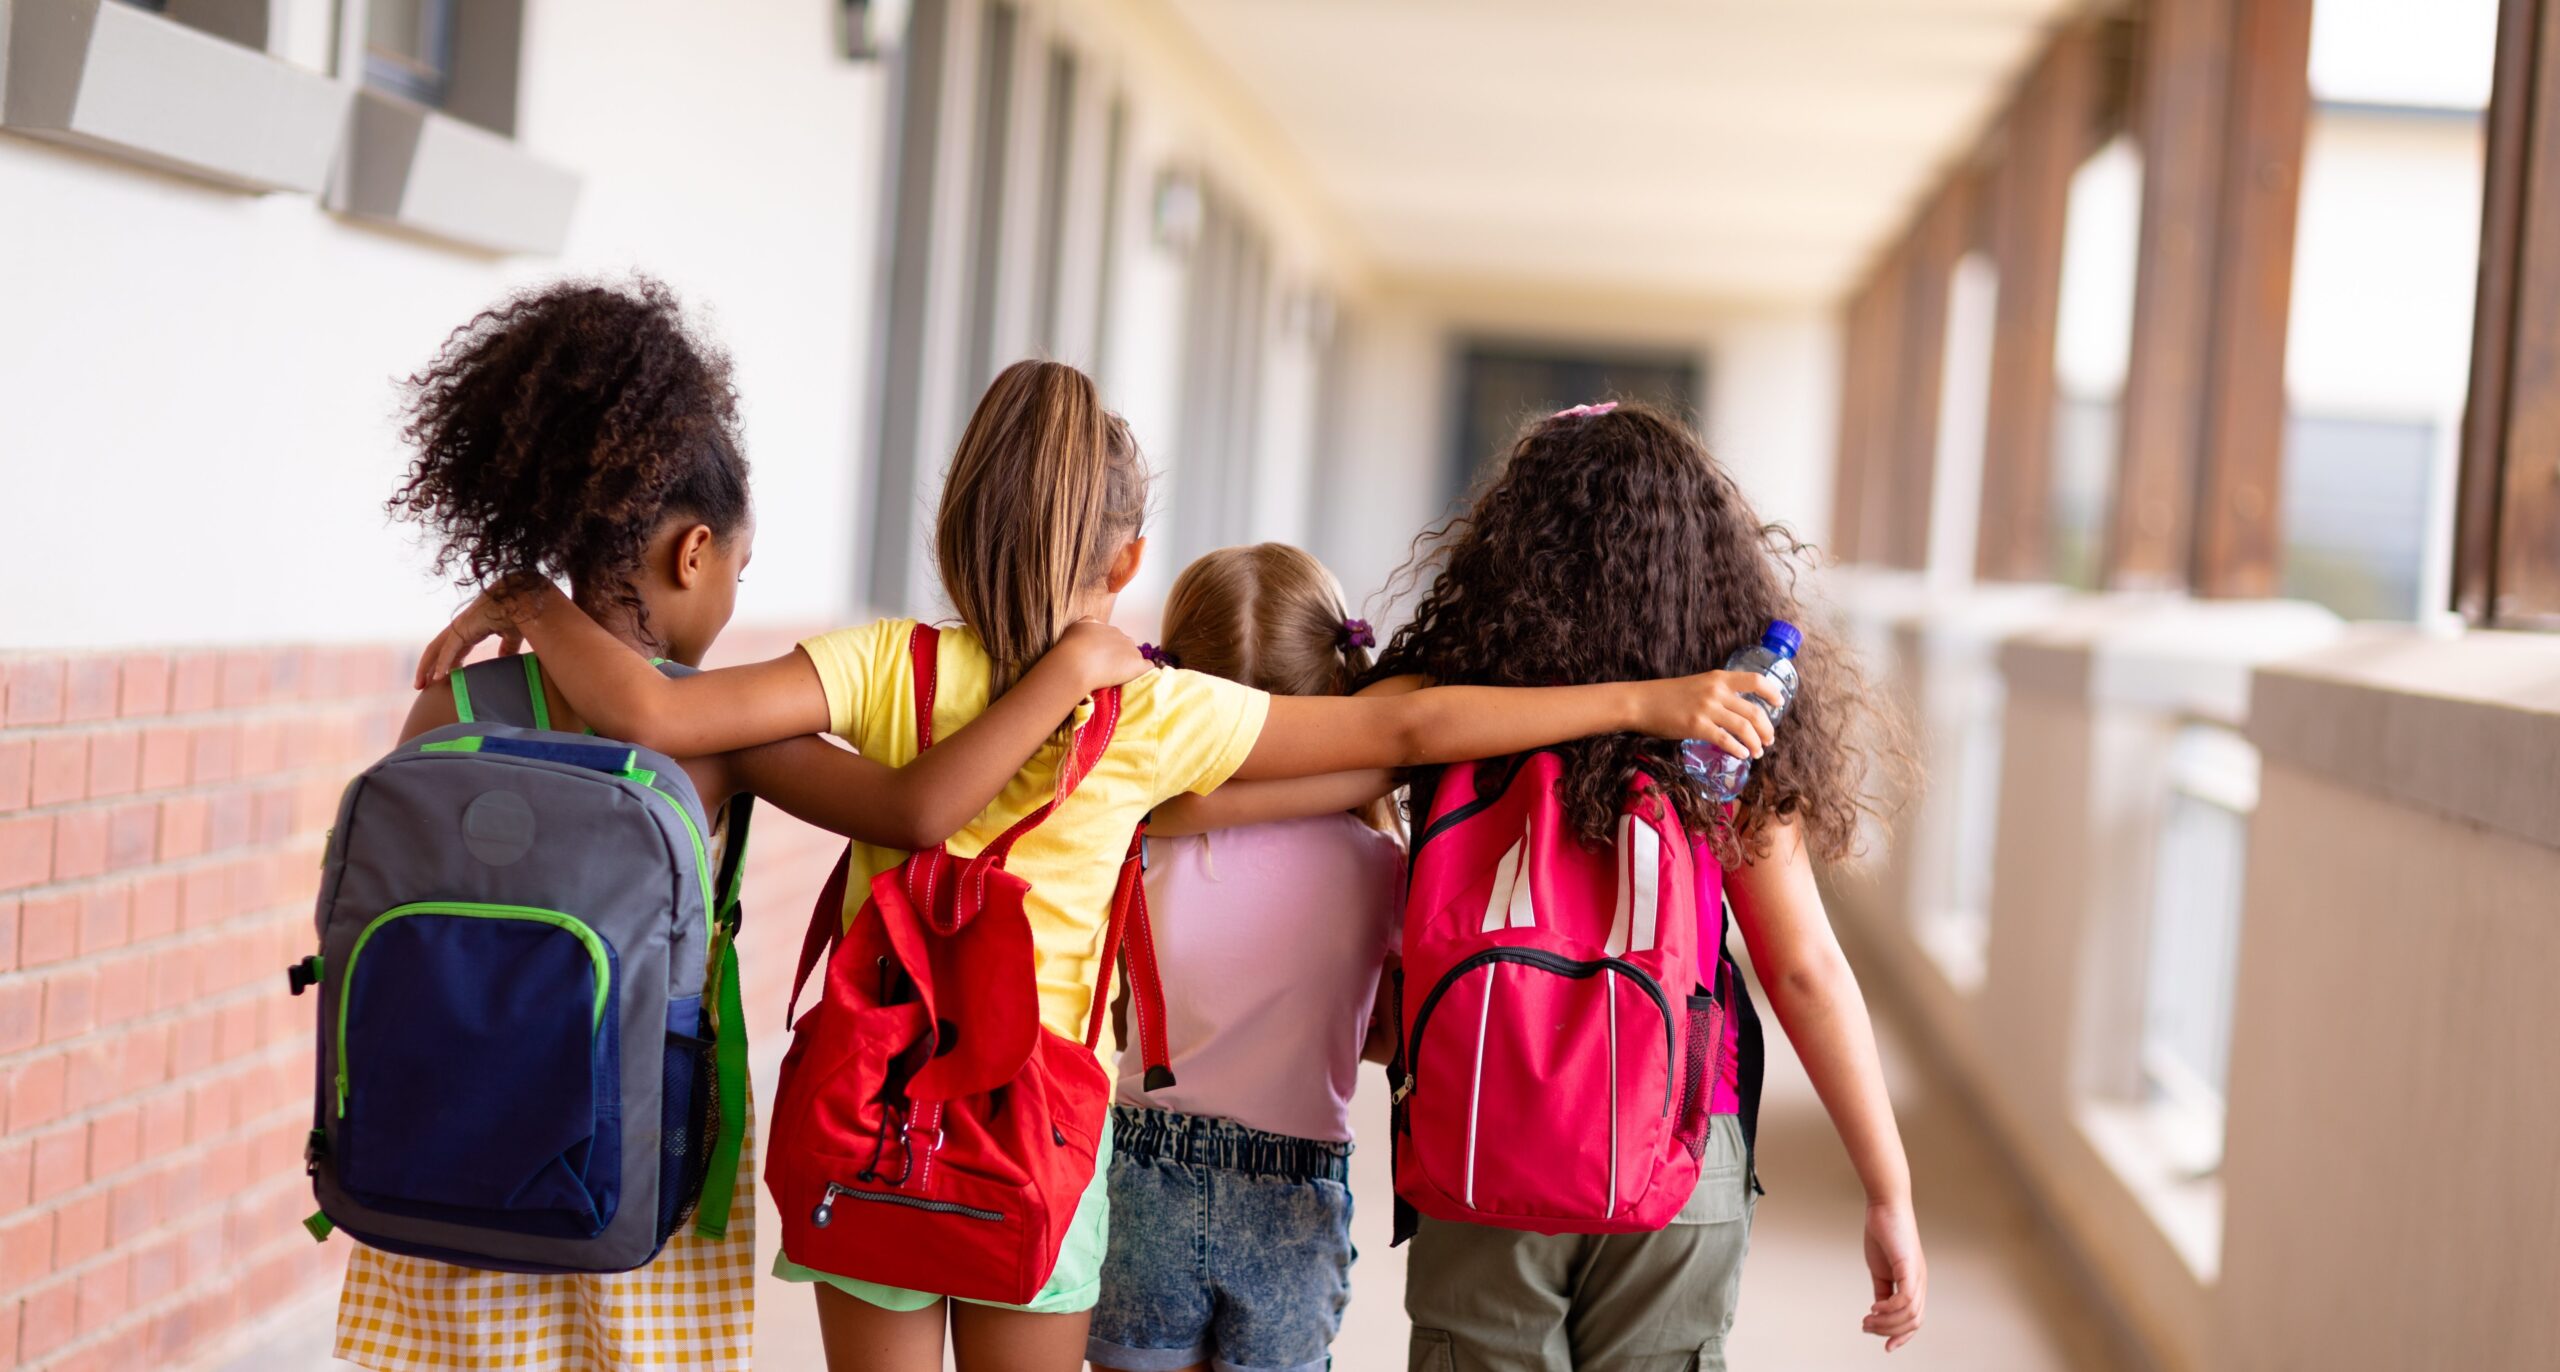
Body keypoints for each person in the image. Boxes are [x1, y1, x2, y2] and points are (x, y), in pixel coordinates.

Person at [414, 360, 1790, 1372]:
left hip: (866, 1119)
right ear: (1130, 559)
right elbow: (1406, 731)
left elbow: (657, 708)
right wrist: (1642, 703)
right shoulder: (1147, 710)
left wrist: (534, 597)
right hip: (1037, 1137)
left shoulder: (883, 665)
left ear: (954, 520)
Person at [339, 281, 1148, 1372]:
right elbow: (913, 814)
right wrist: (1061, 679)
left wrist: (530, 605)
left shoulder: (455, 704)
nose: (729, 597)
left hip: (443, 1149)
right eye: (739, 570)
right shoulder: (716, 738)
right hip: (634, 1152)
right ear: (693, 554)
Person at [1368, 399, 1927, 1368]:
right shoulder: (1732, 725)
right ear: (1701, 568)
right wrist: (1889, 1189)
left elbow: (1371, 737)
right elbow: (1803, 971)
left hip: (1479, 1133)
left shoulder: (1450, 705)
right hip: (1676, 1137)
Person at [1085, 544, 1404, 1372]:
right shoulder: (1380, 867)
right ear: (1338, 683)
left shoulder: (1134, 833)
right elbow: (1389, 1039)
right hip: (1297, 1184)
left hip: (1142, 1166)